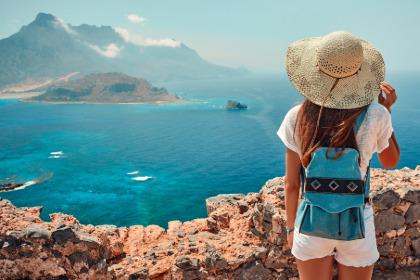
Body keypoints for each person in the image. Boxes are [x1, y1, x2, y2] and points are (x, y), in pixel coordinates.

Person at [277, 31, 400, 280]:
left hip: (311, 222)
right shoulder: (376, 114)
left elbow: (291, 184)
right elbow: (390, 161)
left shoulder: (297, 116)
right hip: (358, 223)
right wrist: (386, 112)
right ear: (360, 73)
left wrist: (291, 229)